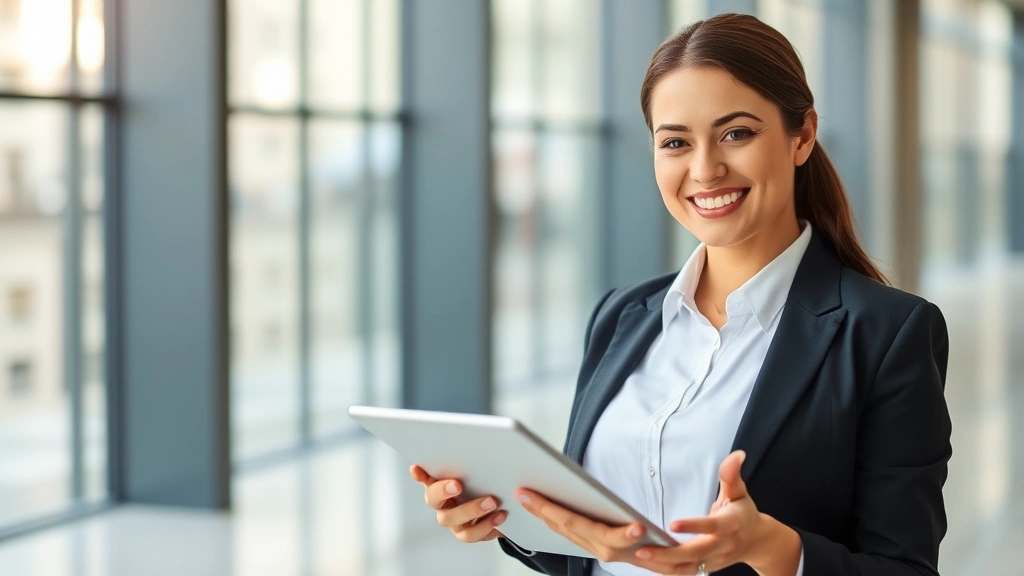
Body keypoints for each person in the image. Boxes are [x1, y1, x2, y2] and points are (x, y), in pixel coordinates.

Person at [410, 12, 952, 576]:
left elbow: (904, 567)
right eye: (675, 142)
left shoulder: (887, 333)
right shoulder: (623, 315)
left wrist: (771, 548)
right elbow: (595, 543)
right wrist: (506, 519)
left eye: (736, 133)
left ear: (803, 136)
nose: (705, 169)